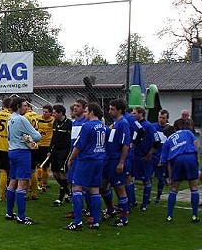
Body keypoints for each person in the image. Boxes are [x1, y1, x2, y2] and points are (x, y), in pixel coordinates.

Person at [65, 102, 107, 231]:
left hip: (86, 160)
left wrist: (71, 159)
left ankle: (77, 222)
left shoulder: (87, 126)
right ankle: (95, 221)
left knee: (77, 187)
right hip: (99, 160)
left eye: (86, 111)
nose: (85, 114)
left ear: (92, 113)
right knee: (95, 190)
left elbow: (79, 145)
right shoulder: (104, 127)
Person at [5, 97, 41, 224]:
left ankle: (9, 213)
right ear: (18, 106)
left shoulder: (11, 119)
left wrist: (24, 138)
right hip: (22, 153)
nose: (27, 108)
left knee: (12, 182)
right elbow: (37, 136)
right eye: (25, 105)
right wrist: (29, 138)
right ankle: (21, 216)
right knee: (22, 184)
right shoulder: (21, 119)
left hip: (12, 151)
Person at [160, 125, 200, 222]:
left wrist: (170, 177)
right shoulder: (186, 132)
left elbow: (168, 162)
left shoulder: (167, 142)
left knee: (174, 188)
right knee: (194, 187)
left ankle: (169, 215)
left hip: (177, 159)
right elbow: (196, 143)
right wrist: (197, 157)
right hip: (190, 156)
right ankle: (195, 215)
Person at [101, 98, 132, 227]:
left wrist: (121, 162)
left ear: (119, 110)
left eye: (112, 109)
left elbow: (126, 144)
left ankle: (124, 218)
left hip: (115, 160)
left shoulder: (123, 123)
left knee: (120, 189)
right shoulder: (115, 123)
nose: (109, 111)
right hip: (108, 160)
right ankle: (110, 209)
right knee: (103, 186)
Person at [131, 107, 161, 211]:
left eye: (134, 113)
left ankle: (144, 203)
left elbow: (157, 141)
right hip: (134, 156)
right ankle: (132, 201)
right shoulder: (134, 125)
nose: (132, 115)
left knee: (146, 180)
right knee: (130, 178)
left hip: (143, 157)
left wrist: (149, 153)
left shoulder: (148, 126)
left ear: (141, 114)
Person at [49, 104, 72, 206]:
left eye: (54, 113)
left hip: (64, 151)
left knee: (62, 173)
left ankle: (60, 198)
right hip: (55, 150)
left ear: (60, 113)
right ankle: (68, 191)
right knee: (55, 173)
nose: (52, 114)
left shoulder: (69, 124)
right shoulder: (55, 122)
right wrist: (50, 150)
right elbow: (53, 137)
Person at [32, 104, 54, 195]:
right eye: (43, 111)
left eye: (46, 112)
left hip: (47, 145)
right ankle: (38, 183)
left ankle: (44, 184)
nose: (44, 113)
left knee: (45, 166)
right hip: (38, 145)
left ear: (50, 113)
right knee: (37, 165)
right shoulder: (38, 119)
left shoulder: (53, 121)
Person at [152, 109, 170, 203]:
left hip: (162, 157)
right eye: (160, 117)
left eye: (163, 118)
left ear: (167, 119)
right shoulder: (153, 126)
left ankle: (158, 196)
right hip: (152, 155)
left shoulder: (169, 129)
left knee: (160, 178)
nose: (161, 120)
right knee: (148, 176)